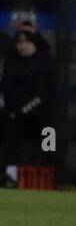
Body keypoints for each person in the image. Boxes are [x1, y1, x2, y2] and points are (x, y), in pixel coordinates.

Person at [1, 23, 54, 185]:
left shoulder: (45, 63)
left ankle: (43, 179)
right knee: (9, 146)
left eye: (27, 42)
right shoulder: (12, 61)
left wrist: (24, 110)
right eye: (19, 42)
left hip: (41, 118)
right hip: (12, 116)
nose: (22, 46)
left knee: (47, 145)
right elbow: (6, 87)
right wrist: (12, 111)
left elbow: (42, 94)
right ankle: (8, 178)